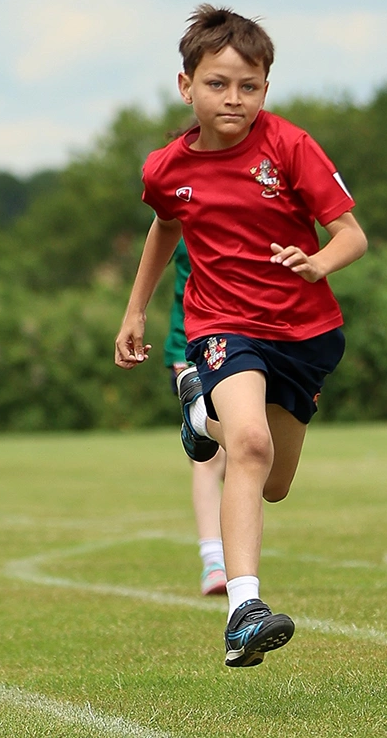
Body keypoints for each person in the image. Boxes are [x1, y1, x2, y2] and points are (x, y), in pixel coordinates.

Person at [114, 4, 367, 668]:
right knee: (248, 445)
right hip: (224, 328)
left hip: (308, 334)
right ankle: (243, 610)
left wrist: (319, 263)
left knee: (274, 482)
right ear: (185, 86)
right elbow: (166, 225)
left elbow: (353, 235)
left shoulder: (289, 146)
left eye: (248, 86)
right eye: (218, 83)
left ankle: (200, 414)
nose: (233, 98)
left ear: (265, 89)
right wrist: (136, 310)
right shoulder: (166, 168)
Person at [164, 235, 228, 597]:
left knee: (253, 454)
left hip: (247, 338)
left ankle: (199, 421)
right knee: (210, 457)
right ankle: (214, 562)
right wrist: (134, 313)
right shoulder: (181, 197)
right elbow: (156, 241)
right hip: (189, 341)